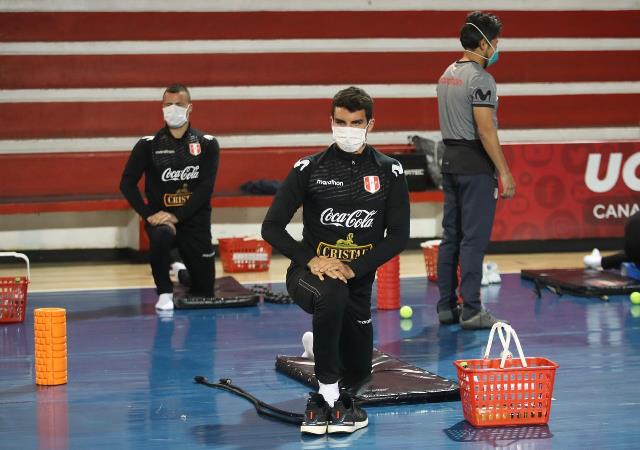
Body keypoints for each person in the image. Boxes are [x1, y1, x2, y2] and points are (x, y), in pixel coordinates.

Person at [261, 86, 410, 435]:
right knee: (332, 294)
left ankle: (318, 345)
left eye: (356, 122)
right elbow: (271, 227)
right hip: (306, 277)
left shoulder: (390, 171)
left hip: (358, 284)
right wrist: (311, 260)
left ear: (370, 124)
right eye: (340, 122)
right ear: (331, 122)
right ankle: (327, 394)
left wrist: (354, 267)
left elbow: (399, 236)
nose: (347, 129)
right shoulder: (308, 167)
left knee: (358, 373)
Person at [435, 11, 516, 330]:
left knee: (450, 237)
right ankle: (471, 309)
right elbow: (485, 130)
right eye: (494, 42)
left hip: (450, 161)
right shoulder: (481, 79)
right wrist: (504, 171)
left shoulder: (447, 73)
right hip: (474, 166)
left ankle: (446, 306)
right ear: (482, 43)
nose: (497, 48)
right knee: (473, 240)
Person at [120, 83, 220, 311]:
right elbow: (126, 183)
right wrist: (149, 215)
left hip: (195, 220)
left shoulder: (207, 143)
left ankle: (180, 270)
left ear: (190, 108)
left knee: (204, 289)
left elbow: (206, 188)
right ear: (161, 108)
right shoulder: (147, 145)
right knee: (160, 237)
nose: (173, 109)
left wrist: (177, 216)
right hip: (161, 220)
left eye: (178, 104)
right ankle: (164, 291)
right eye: (168, 105)